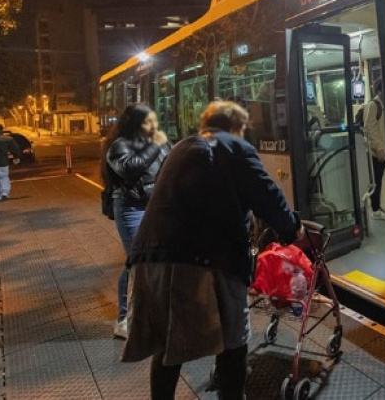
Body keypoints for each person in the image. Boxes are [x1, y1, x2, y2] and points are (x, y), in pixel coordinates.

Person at [122, 101, 303, 400]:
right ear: (235, 126)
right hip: (203, 262)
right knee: (232, 342)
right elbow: (268, 195)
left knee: (168, 347)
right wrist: (292, 231)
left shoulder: (181, 148)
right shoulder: (234, 147)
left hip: (148, 259)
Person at [102, 105, 170, 340]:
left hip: (156, 208)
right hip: (131, 209)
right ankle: (124, 319)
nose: (152, 124)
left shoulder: (157, 144)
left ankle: (151, 312)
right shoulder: (119, 145)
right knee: (136, 261)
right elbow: (129, 169)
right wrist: (156, 145)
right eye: (147, 121)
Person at [364, 78, 385, 220]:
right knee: (377, 180)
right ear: (379, 90)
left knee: (384, 180)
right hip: (377, 152)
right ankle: (375, 208)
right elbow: (370, 128)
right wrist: (379, 148)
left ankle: (383, 206)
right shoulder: (374, 105)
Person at [0, 124, 21, 201]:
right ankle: (5, 193)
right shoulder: (8, 139)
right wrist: (16, 157)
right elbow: (15, 149)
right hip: (3, 162)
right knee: (4, 177)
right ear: (1, 130)